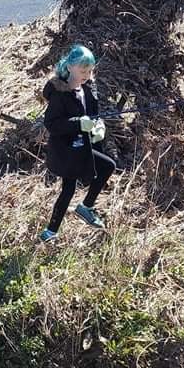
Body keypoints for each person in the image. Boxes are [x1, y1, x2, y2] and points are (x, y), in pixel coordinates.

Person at [40, 44, 116, 242]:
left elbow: (93, 115)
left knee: (107, 166)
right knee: (68, 189)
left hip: (83, 146)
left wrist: (98, 126)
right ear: (69, 67)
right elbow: (52, 124)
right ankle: (50, 232)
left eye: (90, 71)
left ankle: (85, 207)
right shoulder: (60, 93)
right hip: (66, 150)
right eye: (83, 71)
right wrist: (78, 124)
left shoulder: (88, 89)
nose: (87, 75)